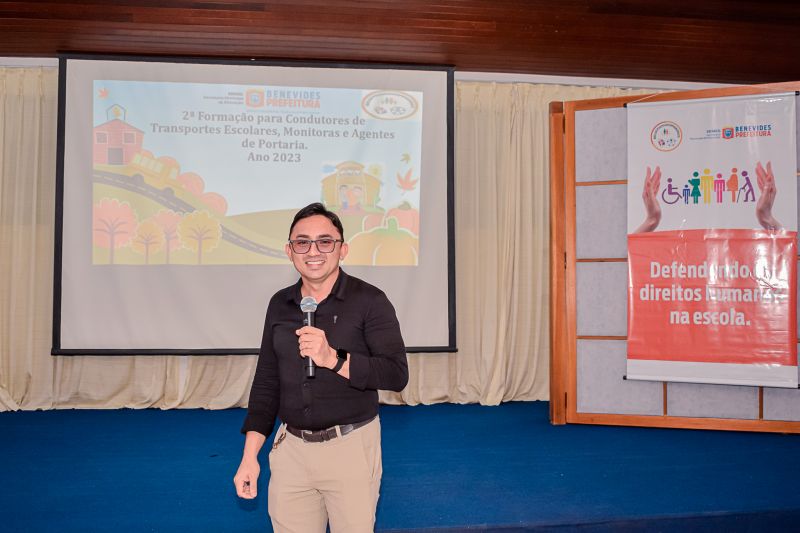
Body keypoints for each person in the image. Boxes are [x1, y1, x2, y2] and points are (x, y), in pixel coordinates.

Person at [234, 202, 408, 533]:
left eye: (325, 241)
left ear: (343, 249)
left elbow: (396, 374)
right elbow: (267, 382)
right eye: (302, 242)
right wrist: (249, 457)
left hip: (350, 448)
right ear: (289, 251)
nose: (313, 251)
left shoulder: (370, 301)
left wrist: (334, 359)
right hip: (291, 451)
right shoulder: (280, 304)